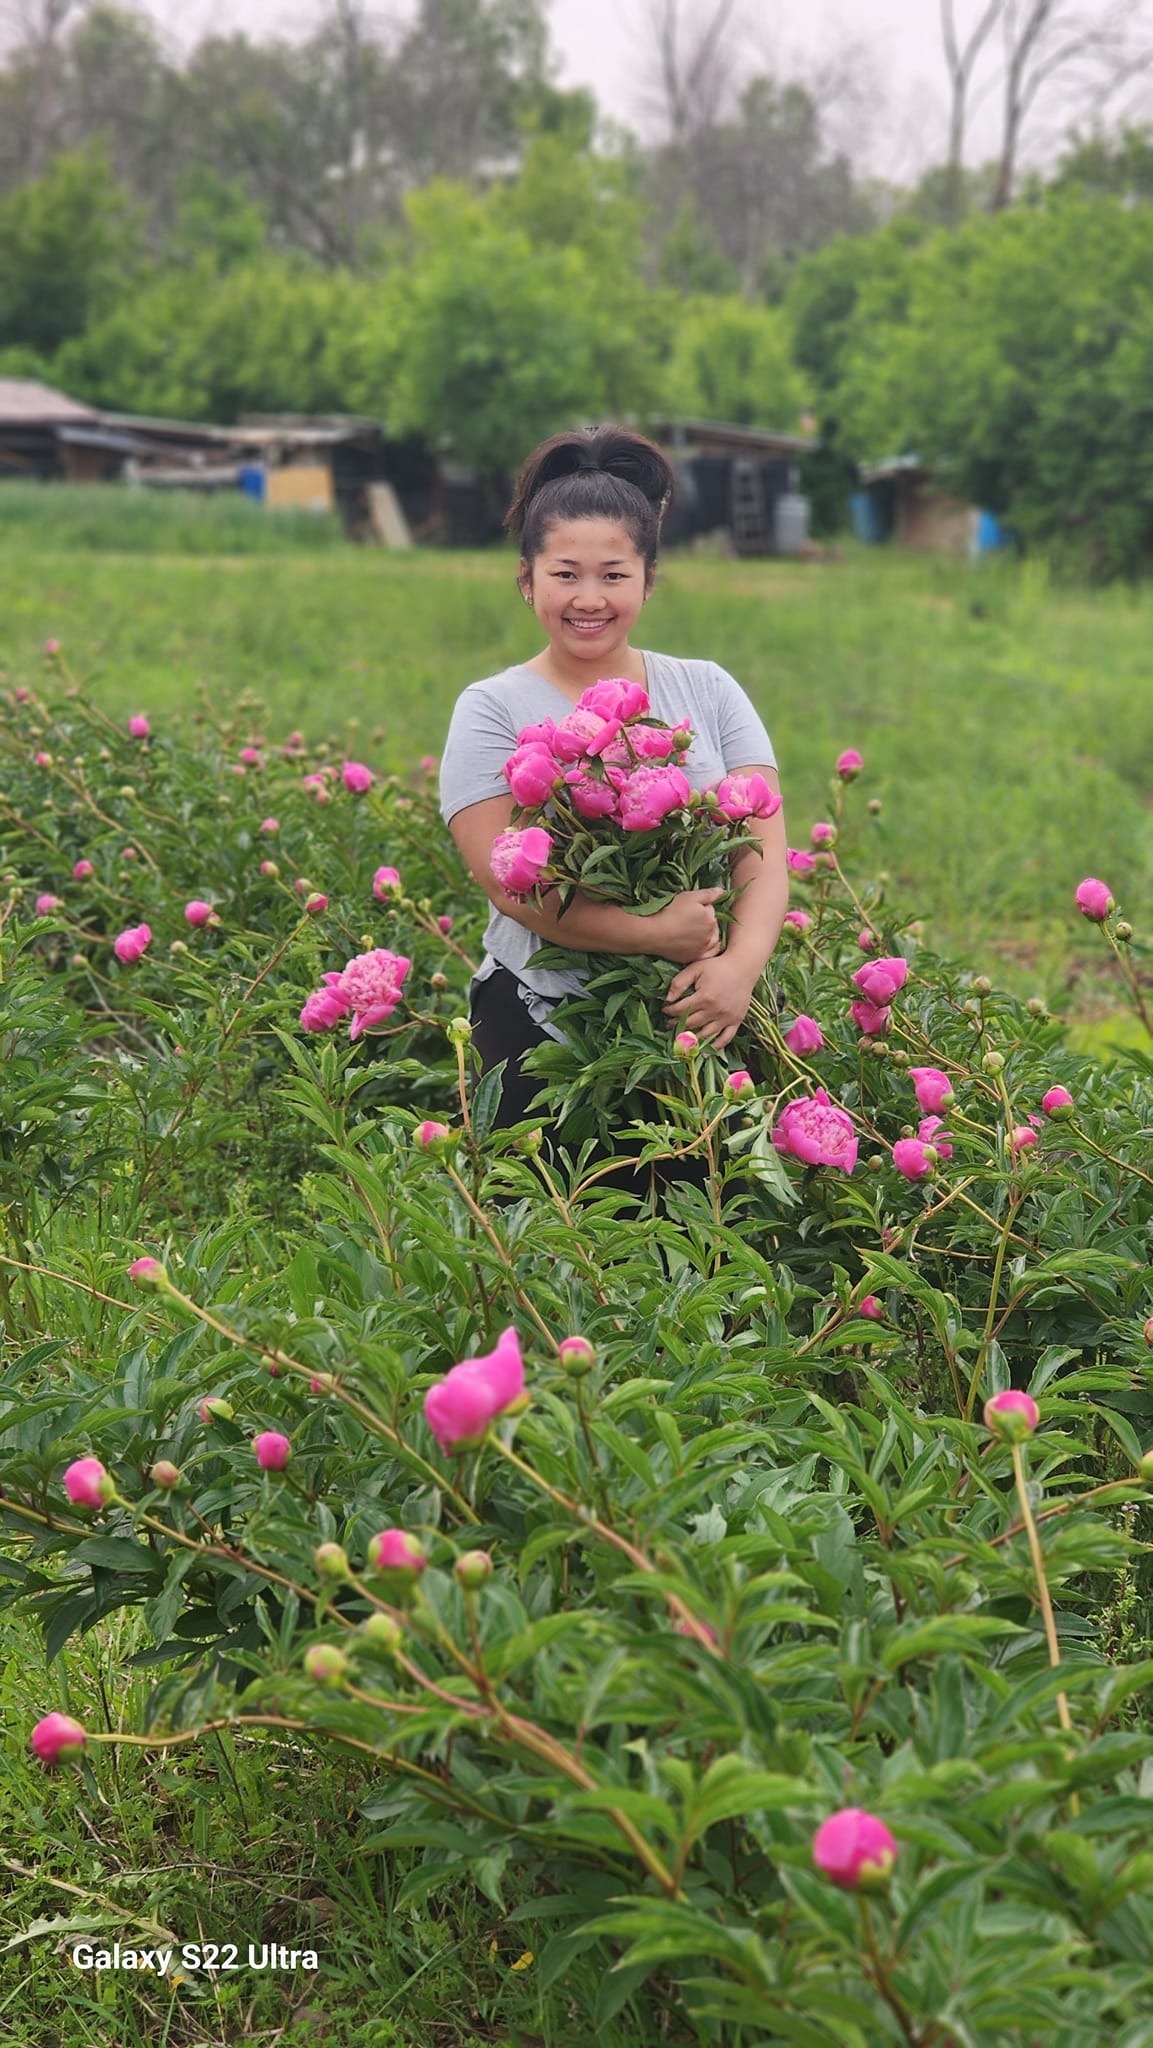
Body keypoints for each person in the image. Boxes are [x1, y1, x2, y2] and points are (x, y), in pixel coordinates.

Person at [438, 423, 788, 1206]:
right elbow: (507, 882)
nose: (588, 599)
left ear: (649, 580)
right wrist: (650, 932)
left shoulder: (707, 689)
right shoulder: (491, 709)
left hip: (703, 1016)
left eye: (613, 574)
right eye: (564, 573)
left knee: (710, 1253)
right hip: (545, 1027)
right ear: (526, 581)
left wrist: (737, 971)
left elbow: (761, 856)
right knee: (556, 1246)